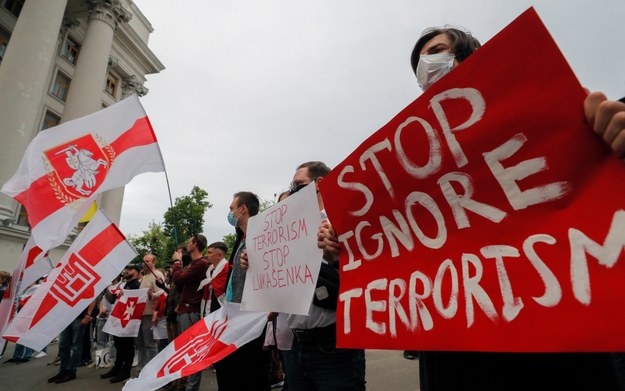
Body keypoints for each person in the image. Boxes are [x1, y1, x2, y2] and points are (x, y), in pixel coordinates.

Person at [317, 26, 625, 391]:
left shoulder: (549, 107)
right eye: (418, 63)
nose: (426, 66)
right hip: (456, 353)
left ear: (472, 53)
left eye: (436, 51)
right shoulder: (411, 165)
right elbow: (404, 250)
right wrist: (352, 246)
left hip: (551, 342)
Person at [283, 162, 366, 390]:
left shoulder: (344, 220)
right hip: (296, 345)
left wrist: (337, 256)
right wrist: (253, 263)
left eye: (298, 185)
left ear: (319, 184)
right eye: (292, 186)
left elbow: (367, 273)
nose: (292, 191)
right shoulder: (286, 230)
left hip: (333, 345)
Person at [213, 191, 271, 391]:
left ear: (243, 209)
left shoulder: (264, 237)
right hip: (234, 316)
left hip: (251, 319)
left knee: (249, 374)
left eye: (232, 208)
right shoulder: (241, 239)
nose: (230, 213)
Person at [171, 234, 210, 391]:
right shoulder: (193, 264)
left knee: (192, 352)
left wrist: (177, 262)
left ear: (196, 244)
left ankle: (191, 388)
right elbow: (180, 285)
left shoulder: (201, 263)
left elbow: (178, 279)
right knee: (185, 352)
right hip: (185, 310)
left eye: (190, 241)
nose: (187, 243)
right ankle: (185, 384)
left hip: (190, 311)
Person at [100, 263, 142, 383]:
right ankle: (117, 367)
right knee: (118, 345)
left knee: (127, 346)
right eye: (126, 269)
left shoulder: (137, 285)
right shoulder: (123, 285)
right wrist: (106, 287)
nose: (127, 270)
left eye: (130, 269)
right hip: (119, 319)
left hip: (128, 320)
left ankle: (125, 371)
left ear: (137, 272)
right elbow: (112, 299)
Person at [47, 300, 96, 383]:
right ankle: (63, 370)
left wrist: (88, 315)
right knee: (63, 345)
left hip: (79, 317)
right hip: (65, 318)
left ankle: (71, 371)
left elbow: (93, 298)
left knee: (76, 346)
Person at [135, 253, 164, 374]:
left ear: (154, 262)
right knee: (140, 344)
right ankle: (141, 370)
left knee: (150, 344)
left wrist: (152, 295)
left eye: (148, 261)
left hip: (149, 314)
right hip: (141, 314)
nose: (145, 263)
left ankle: (152, 371)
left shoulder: (157, 274)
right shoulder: (144, 277)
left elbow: (162, 292)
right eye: (144, 261)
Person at [198, 241, 230, 317]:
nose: (206, 255)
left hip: (221, 311)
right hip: (209, 310)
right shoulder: (210, 271)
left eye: (209, 253)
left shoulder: (228, 269)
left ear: (219, 255)